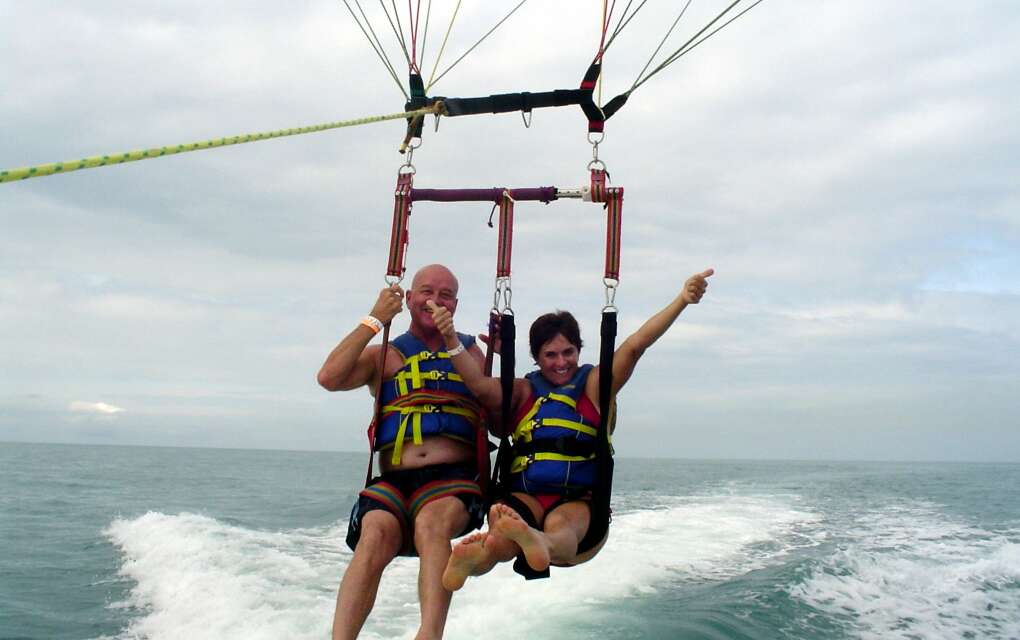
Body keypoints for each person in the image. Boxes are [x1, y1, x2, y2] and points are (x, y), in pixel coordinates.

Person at [430, 268, 714, 590]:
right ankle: (472, 558)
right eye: (550, 355)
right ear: (536, 358)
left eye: (569, 352)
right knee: (500, 534)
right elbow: (480, 387)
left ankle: (537, 542)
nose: (561, 362)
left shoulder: (594, 386)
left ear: (579, 351)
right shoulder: (523, 390)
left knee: (561, 526)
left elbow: (635, 346)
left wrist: (682, 300)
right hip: (525, 494)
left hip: (577, 500)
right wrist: (450, 338)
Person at [317, 264, 488, 640]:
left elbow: (503, 414)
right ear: (409, 299)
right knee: (375, 532)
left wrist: (502, 360)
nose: (435, 300)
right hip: (394, 480)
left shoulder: (473, 355)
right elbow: (329, 377)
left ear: (455, 305)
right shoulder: (386, 354)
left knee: (432, 523)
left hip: (453, 481)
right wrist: (375, 319)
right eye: (426, 291)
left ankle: (429, 635)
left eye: (445, 295)